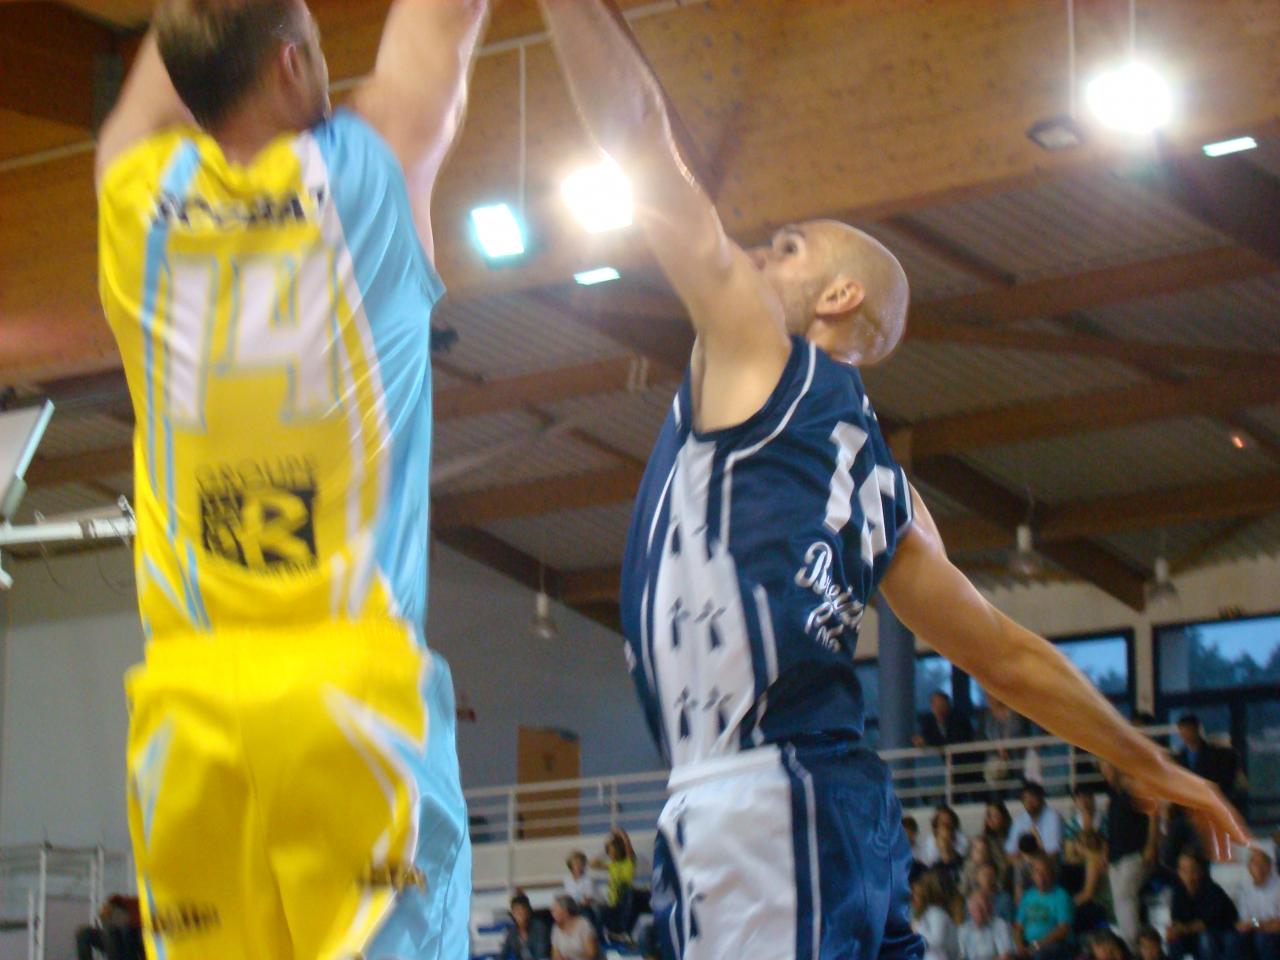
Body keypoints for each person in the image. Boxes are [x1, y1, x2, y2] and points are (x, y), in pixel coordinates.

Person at [536, 1, 1248, 956]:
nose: (757, 252)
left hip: (757, 807)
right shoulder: (890, 493)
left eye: (787, 247)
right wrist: (1141, 758)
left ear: (839, 296)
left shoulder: (761, 354)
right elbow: (1004, 656)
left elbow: (640, 141)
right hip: (843, 815)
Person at [95, 1, 489, 957]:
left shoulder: (130, 192)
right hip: (347, 695)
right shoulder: (371, 171)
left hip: (186, 705)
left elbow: (179, 57)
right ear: (288, 63)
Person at [1102, 761, 1159, 950]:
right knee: (1119, 901)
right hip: (1115, 856)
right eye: (1103, 768)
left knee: (1125, 897)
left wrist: (1151, 845)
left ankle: (1132, 947)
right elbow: (1111, 827)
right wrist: (1106, 850)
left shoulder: (1135, 788)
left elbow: (1153, 814)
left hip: (1135, 854)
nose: (1105, 773)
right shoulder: (1113, 794)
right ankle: (1129, 945)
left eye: (1108, 768)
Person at [1166, 849, 1239, 959]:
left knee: (1205, 939)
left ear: (1201, 870)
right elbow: (1176, 920)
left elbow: (1206, 924)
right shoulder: (1178, 891)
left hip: (1220, 933)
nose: (1188, 875)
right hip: (1191, 934)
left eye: (1193, 870)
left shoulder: (1212, 890)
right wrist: (1174, 930)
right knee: (1173, 941)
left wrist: (1184, 928)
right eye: (1184, 870)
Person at [1014, 855, 1074, 960]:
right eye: (1037, 872)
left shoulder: (1061, 896)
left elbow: (1063, 929)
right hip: (1028, 944)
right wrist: (1019, 946)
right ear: (1032, 875)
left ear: (1052, 874)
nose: (1041, 876)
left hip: (1052, 944)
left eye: (1045, 872)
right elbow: (1018, 926)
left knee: (1039, 956)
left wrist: (1038, 944)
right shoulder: (1028, 896)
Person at [1174, 715, 1243, 802]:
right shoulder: (1179, 757)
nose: (1185, 735)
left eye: (1188, 730)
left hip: (1210, 800)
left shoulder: (1216, 754)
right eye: (1182, 731)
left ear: (1196, 729)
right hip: (1188, 802)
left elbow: (1224, 780)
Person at [1233, 846, 1280, 960]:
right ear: (1249, 868)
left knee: (1262, 939)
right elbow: (1245, 921)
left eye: (1263, 864)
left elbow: (1278, 923)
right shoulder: (1244, 889)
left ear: (1270, 867)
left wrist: (1255, 923)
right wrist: (1259, 923)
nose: (1259, 868)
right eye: (1255, 864)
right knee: (1234, 938)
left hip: (1274, 934)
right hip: (1256, 931)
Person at [75, 895, 143, 960]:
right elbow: (116, 901)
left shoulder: (144, 905)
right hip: (115, 939)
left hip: (132, 941)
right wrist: (112, 904)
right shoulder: (130, 903)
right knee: (83, 933)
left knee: (115, 930)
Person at [1007, 782, 1065, 858]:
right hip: (1025, 862)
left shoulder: (1053, 817)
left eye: (1032, 797)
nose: (1029, 802)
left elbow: (1053, 853)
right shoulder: (1019, 819)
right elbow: (1010, 852)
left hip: (1050, 862)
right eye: (1025, 798)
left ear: (1041, 798)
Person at [913, 871, 961, 960]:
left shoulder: (937, 913)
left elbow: (938, 941)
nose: (914, 899)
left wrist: (917, 930)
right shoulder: (926, 913)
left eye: (917, 895)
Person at [959, 891, 1014, 960]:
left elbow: (1006, 956)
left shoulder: (1000, 925)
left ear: (990, 908)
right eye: (974, 908)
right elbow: (961, 956)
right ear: (969, 910)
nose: (979, 912)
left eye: (982, 907)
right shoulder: (963, 930)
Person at [503, 893, 552, 960]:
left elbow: (541, 955)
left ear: (528, 911)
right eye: (517, 911)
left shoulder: (540, 928)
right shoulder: (512, 932)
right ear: (513, 914)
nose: (520, 914)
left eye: (522, 910)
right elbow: (503, 954)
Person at [551, 895, 601, 960]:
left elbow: (591, 954)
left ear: (565, 912)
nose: (552, 913)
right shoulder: (556, 928)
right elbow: (555, 955)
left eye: (555, 910)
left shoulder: (583, 925)